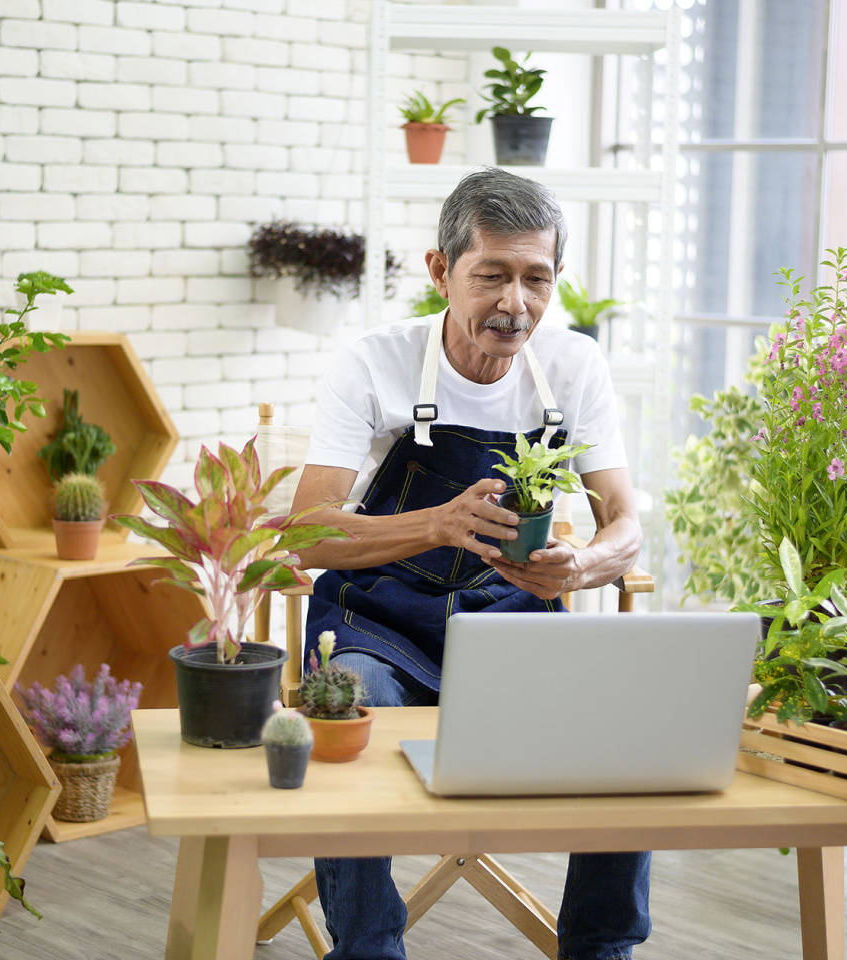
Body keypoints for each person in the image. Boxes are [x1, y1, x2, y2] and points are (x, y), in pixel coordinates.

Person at [289, 167, 650, 960]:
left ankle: (601, 949)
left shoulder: (573, 367)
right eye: (491, 276)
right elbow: (308, 535)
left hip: (517, 628)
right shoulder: (374, 363)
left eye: (536, 279)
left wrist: (582, 567)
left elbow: (626, 526)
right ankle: (369, 948)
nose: (514, 304)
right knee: (347, 704)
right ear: (440, 271)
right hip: (378, 626)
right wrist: (440, 523)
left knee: (623, 729)